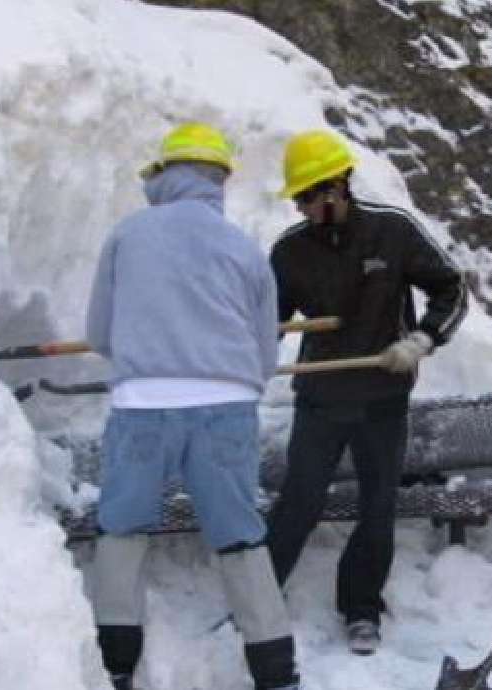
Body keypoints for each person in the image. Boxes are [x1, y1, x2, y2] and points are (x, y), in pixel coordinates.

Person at [83, 122, 299, 690]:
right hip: (225, 408)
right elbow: (263, 351)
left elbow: (99, 333)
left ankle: (117, 666)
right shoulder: (243, 247)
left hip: (143, 406)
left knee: (123, 529)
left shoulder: (127, 236)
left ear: (163, 176)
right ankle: (277, 673)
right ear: (219, 180)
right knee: (239, 536)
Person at [264, 129, 467, 655]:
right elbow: (270, 321)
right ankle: (259, 603)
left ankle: (361, 608)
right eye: (299, 198)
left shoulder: (392, 232)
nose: (306, 207)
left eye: (314, 195)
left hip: (383, 397)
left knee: (377, 508)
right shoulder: (289, 252)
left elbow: (452, 287)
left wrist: (423, 338)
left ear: (340, 185)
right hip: (320, 400)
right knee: (298, 505)